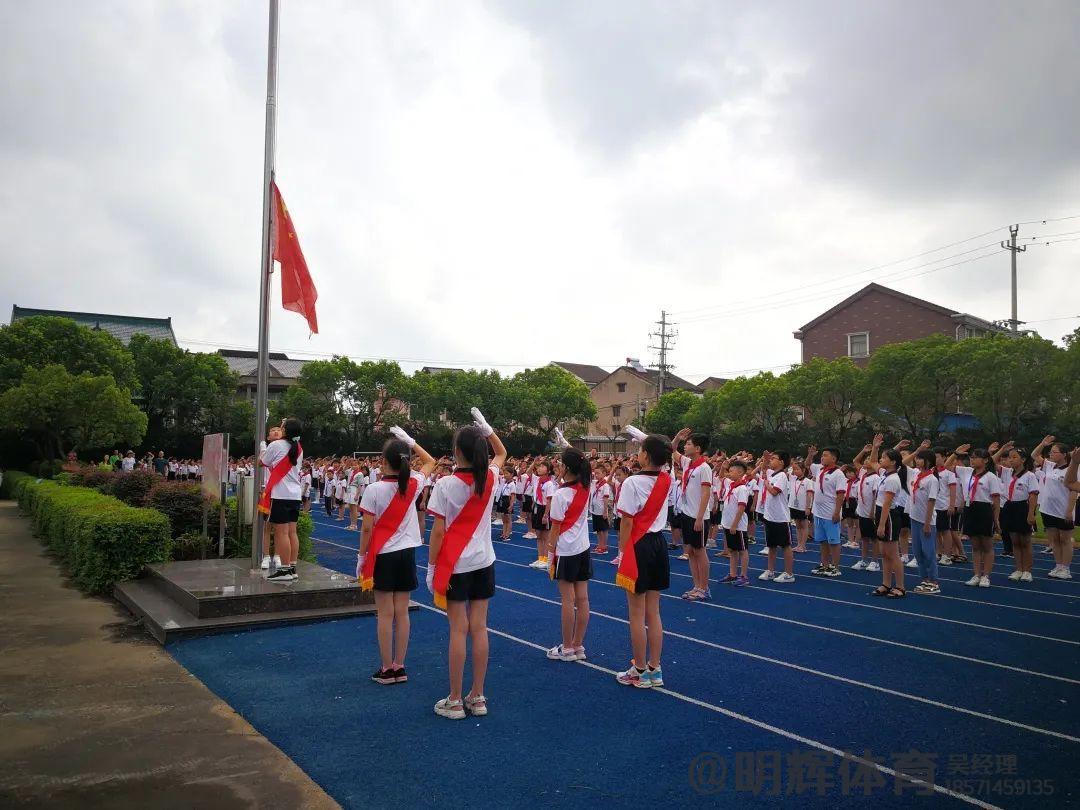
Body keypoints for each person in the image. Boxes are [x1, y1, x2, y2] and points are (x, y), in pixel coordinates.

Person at [426, 408, 506, 720]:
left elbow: (438, 532)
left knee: (458, 630)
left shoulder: (446, 484)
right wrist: (488, 428)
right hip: (484, 561)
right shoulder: (492, 478)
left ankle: (456, 700)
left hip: (455, 565)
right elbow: (501, 452)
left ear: (457, 452)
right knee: (480, 627)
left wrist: (432, 568)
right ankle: (478, 695)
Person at [357, 427, 436, 685]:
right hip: (406, 554)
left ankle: (386, 668)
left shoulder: (374, 489)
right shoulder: (413, 484)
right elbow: (430, 462)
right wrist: (411, 442)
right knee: (402, 613)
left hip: (383, 556)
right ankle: (400, 666)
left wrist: (361, 558)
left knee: (385, 614)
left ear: (383, 461)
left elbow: (367, 528)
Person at [614, 428, 672, 688]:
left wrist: (622, 551)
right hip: (659, 544)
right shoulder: (667, 479)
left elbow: (626, 522)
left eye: (639, 449)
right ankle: (654, 668)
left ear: (646, 456)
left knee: (636, 614)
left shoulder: (632, 482)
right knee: (654, 612)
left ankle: (638, 669)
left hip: (638, 546)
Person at [545, 446, 593, 662]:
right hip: (583, 548)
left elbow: (555, 529)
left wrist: (549, 554)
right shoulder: (586, 487)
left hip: (565, 550)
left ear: (565, 467)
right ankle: (578, 645)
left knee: (567, 599)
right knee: (582, 599)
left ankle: (566, 648)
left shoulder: (561, 494)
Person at [259, 418, 304, 583]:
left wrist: (263, 448)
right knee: (292, 532)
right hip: (295, 495)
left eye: (282, 426)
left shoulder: (276, 445)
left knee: (281, 533)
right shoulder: (298, 448)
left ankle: (284, 570)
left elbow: (261, 462)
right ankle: (292, 568)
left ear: (285, 431)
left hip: (280, 494)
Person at [671, 429, 713, 601]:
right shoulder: (688, 463)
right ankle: (696, 585)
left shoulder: (704, 468)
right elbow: (671, 450)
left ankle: (704, 587)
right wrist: (676, 438)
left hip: (698, 516)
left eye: (688, 444)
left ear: (697, 448)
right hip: (686, 513)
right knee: (691, 552)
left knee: (700, 551)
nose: (684, 446)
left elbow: (705, 493)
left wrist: (700, 517)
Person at [952, 446, 1002, 588]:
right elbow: (948, 466)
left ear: (986, 460)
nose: (972, 460)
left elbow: (996, 499)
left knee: (986, 544)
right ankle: (976, 574)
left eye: (975, 457)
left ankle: (986, 575)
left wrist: (996, 519)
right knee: (975, 545)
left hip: (984, 508)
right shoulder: (967, 472)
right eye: (971, 457)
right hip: (970, 508)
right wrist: (956, 454)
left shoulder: (991, 477)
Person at [1035, 438, 1077, 579]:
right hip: (1048, 509)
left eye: (1054, 452)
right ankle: (1058, 566)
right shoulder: (1050, 466)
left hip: (1063, 510)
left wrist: (1069, 510)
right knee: (1055, 541)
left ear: (1064, 454)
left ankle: (1066, 568)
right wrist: (1042, 444)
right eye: (1050, 451)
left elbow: (1074, 491)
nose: (1051, 454)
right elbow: (1034, 456)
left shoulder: (1073, 469)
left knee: (1065, 540)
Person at [999, 446, 1039, 582]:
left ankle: (1027, 571)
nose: (1010, 460)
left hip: (1022, 507)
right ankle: (1018, 569)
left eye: (1014, 457)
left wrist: (1031, 514)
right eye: (1009, 457)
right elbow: (992, 462)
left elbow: (1033, 495)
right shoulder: (1007, 473)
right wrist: (1002, 449)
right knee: (1014, 540)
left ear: (1023, 459)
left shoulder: (1030, 476)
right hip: (1009, 506)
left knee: (1025, 541)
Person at [871, 448, 906, 598]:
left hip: (889, 516)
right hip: (881, 513)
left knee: (893, 553)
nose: (880, 459)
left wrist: (881, 525)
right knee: (884, 553)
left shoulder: (893, 479)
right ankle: (886, 583)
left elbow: (887, 503)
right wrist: (875, 447)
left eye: (884, 457)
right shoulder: (884, 474)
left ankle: (900, 586)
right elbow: (872, 461)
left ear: (893, 462)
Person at [807, 445, 847, 577]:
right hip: (818, 512)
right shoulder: (820, 469)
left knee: (834, 541)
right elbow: (807, 464)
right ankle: (824, 565)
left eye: (825, 455)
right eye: (822, 455)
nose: (822, 457)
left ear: (834, 458)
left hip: (830, 513)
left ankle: (835, 567)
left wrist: (837, 512)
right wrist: (811, 455)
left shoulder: (838, 473)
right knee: (823, 541)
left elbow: (841, 494)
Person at [907, 449, 941, 595]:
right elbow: (901, 464)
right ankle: (924, 579)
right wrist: (916, 451)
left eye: (921, 459)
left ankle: (934, 581)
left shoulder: (932, 479)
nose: (917, 460)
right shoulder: (915, 474)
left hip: (926, 521)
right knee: (917, 551)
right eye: (917, 458)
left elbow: (931, 501)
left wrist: (927, 523)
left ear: (929, 461)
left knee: (929, 552)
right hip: (914, 518)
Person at [758, 451, 795, 582]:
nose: (771, 461)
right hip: (770, 516)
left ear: (781, 462)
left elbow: (774, 492)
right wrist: (765, 460)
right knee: (771, 545)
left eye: (774, 459)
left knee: (785, 545)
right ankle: (770, 571)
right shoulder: (771, 473)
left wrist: (767, 484)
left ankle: (789, 573)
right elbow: (763, 471)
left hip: (780, 517)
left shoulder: (782, 476)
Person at [590, 462, 613, 555]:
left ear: (604, 474)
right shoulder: (595, 483)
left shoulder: (605, 485)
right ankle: (599, 545)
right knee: (598, 530)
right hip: (594, 510)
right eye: (595, 473)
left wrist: (605, 511)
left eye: (598, 473)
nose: (596, 475)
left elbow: (606, 499)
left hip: (601, 511)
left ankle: (604, 546)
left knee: (604, 529)